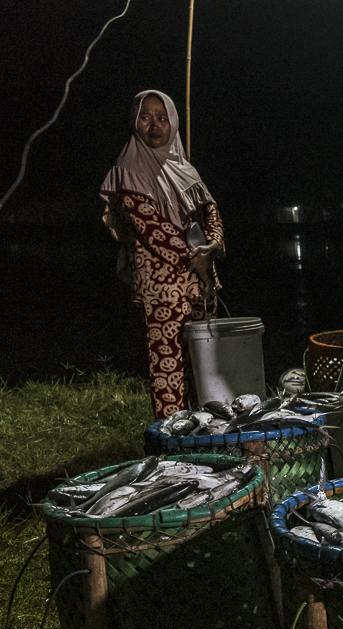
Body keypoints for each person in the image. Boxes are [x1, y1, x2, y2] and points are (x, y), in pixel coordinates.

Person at [100, 90, 225, 420]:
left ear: (174, 122)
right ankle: (172, 443)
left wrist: (212, 247)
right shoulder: (127, 171)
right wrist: (196, 260)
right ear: (134, 122)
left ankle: (207, 432)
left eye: (162, 117)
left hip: (202, 281)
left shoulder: (186, 169)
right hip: (162, 287)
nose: (154, 124)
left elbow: (211, 214)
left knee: (204, 360)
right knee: (168, 368)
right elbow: (153, 230)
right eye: (145, 117)